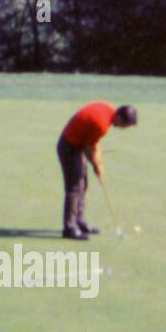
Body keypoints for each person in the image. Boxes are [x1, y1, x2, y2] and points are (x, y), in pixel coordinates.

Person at [57, 102, 138, 240]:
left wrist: (98, 163)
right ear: (119, 117)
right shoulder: (101, 124)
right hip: (69, 147)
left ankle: (79, 222)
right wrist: (96, 166)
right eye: (124, 126)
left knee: (83, 183)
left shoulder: (109, 110)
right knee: (75, 187)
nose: (122, 129)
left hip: (77, 145)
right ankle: (69, 228)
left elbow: (94, 144)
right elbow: (89, 149)